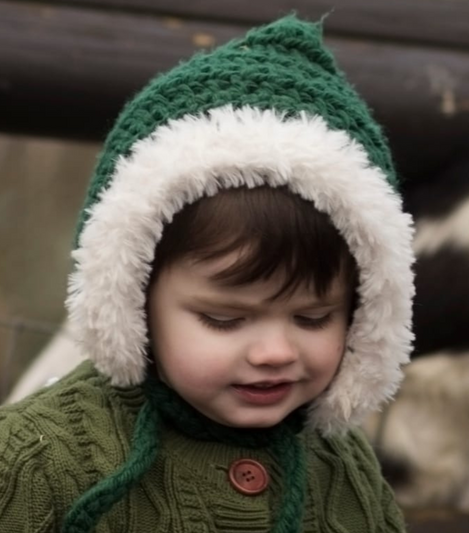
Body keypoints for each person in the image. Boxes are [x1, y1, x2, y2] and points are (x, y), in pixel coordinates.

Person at [0, 15, 414, 533]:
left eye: (312, 317)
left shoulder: (346, 472)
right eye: (223, 318)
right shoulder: (37, 460)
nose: (276, 352)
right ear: (132, 296)